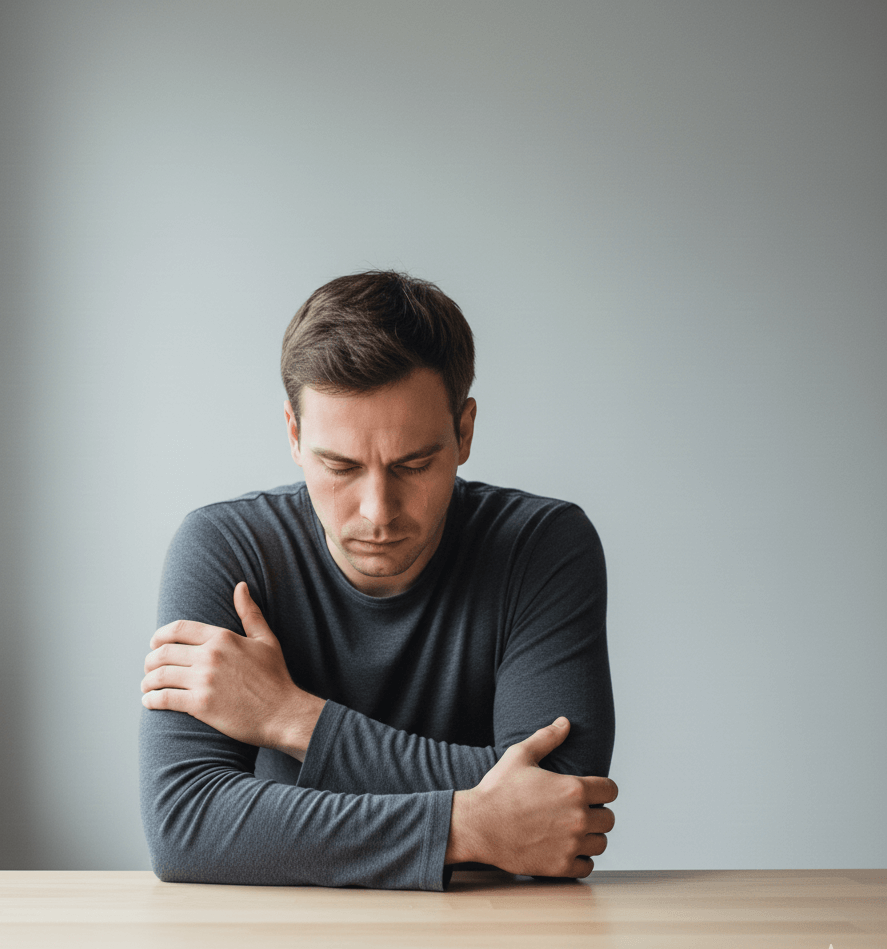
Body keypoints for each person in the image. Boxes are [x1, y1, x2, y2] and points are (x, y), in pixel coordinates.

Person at [139, 270, 617, 891]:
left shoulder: (542, 546)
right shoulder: (227, 550)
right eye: (339, 465)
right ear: (293, 434)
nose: (377, 512)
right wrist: (464, 827)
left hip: (497, 948)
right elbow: (187, 826)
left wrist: (291, 718)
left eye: (413, 464)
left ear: (464, 431)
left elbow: (560, 802)